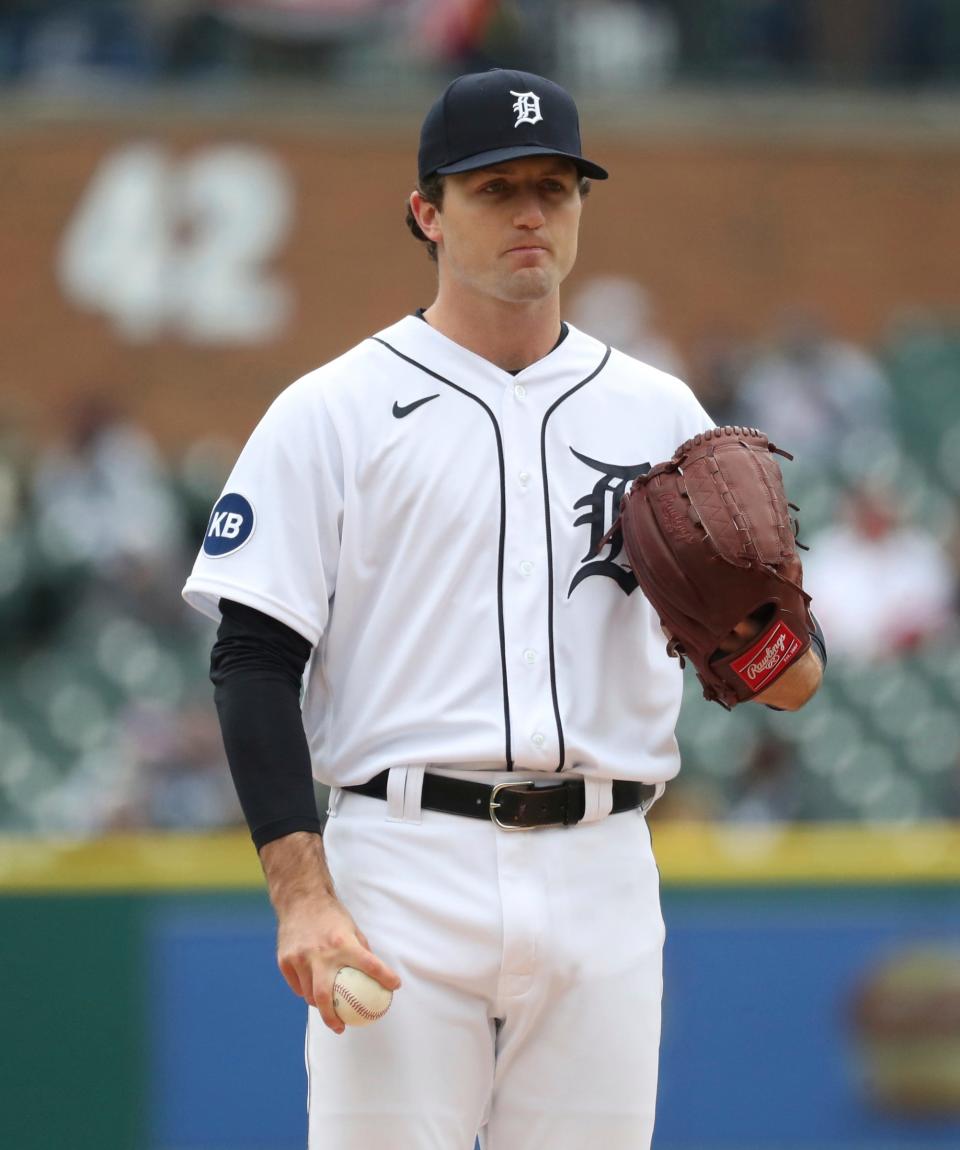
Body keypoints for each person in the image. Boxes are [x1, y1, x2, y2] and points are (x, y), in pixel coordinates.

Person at [183, 68, 823, 1150]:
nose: (532, 212)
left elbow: (793, 680)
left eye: (556, 187)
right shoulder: (331, 411)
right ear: (427, 212)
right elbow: (251, 658)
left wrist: (759, 642)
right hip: (400, 865)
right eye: (495, 189)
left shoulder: (659, 410)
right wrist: (302, 891)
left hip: (604, 867)